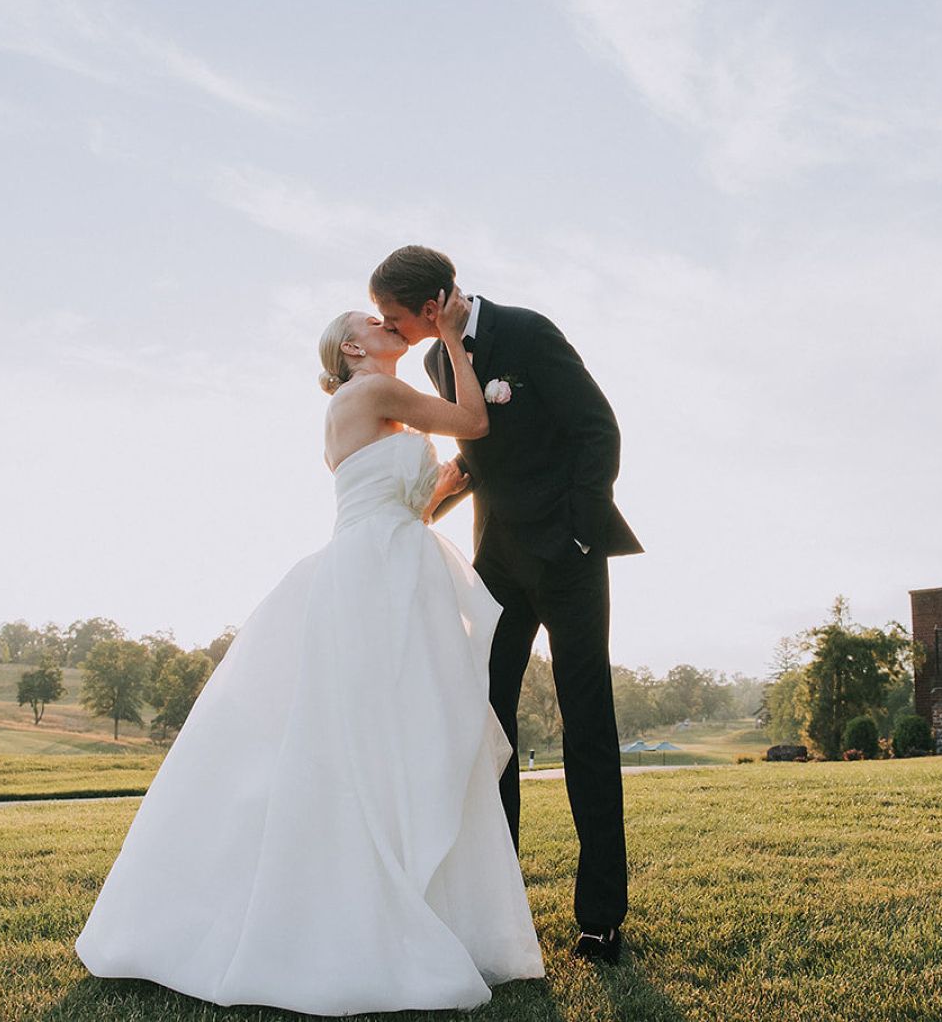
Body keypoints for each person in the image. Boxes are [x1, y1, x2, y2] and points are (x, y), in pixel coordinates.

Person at [75, 290, 544, 1014]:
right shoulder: (376, 390)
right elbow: (473, 421)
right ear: (352, 348)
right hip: (377, 575)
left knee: (382, 735)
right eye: (373, 323)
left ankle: (405, 897)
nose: (386, 325)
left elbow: (400, 504)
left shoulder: (369, 407)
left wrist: (445, 486)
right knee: (385, 735)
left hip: (387, 566)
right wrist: (453, 337)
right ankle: (358, 911)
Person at [370, 245, 642, 965]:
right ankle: (498, 909)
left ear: (432, 306)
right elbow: (478, 455)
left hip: (569, 560)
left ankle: (601, 919)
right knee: (487, 729)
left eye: (394, 318)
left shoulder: (527, 331)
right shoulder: (438, 360)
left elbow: (597, 429)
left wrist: (580, 535)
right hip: (494, 566)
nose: (390, 329)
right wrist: (423, 508)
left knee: (587, 727)